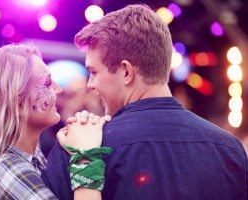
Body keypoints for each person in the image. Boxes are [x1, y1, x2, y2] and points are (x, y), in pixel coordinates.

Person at [43, 4, 248, 200]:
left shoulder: (79, 149)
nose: (90, 85)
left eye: (94, 72)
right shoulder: (229, 149)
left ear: (126, 72)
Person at [0, 44, 111, 199]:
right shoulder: (9, 170)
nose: (58, 89)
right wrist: (85, 158)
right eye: (47, 83)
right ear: (20, 104)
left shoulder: (26, 158)